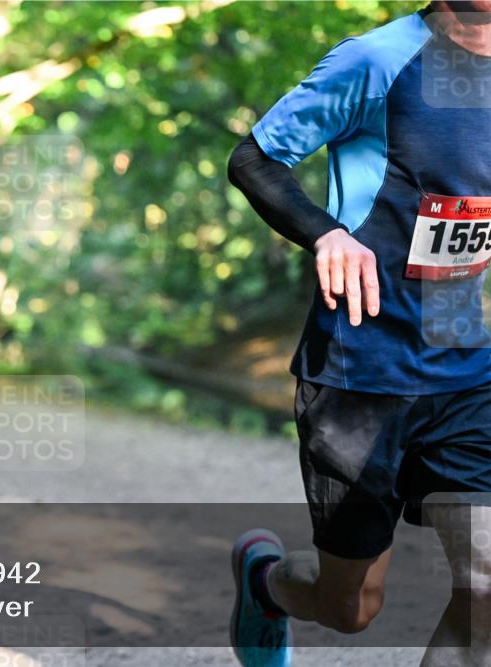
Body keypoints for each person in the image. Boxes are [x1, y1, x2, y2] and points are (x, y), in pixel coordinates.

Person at [226, 3, 491, 666]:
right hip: (359, 373)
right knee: (351, 607)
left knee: (487, 585)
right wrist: (327, 234)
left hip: (468, 372)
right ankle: (265, 584)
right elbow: (255, 158)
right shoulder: (378, 59)